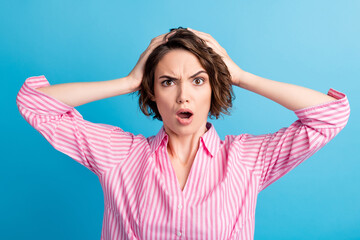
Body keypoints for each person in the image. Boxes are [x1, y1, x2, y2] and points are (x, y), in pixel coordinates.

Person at [16, 27, 350, 240]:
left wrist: (240, 75)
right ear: (153, 94)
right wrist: (129, 81)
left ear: (213, 90)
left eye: (198, 80)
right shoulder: (120, 155)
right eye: (167, 81)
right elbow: (34, 103)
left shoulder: (247, 160)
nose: (183, 96)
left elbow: (330, 115)